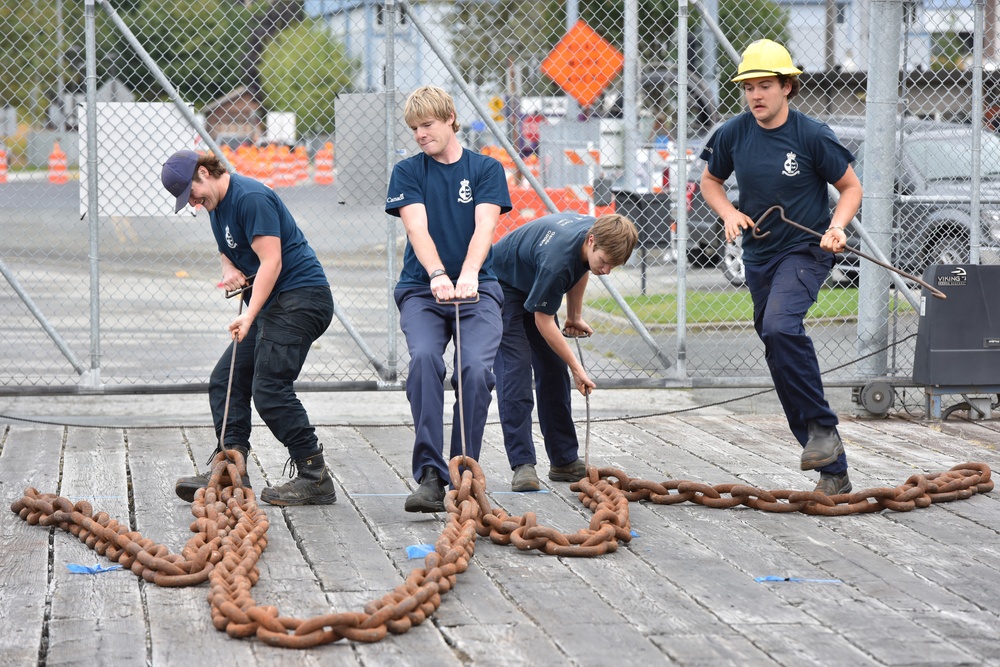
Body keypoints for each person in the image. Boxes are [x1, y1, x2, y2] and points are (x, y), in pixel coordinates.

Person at [698, 39, 863, 496]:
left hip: (807, 250)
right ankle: (833, 465)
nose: (756, 95)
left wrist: (837, 226)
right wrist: (728, 213)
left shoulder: (812, 134)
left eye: (765, 85)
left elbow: (850, 187)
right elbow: (710, 181)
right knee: (776, 345)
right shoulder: (733, 133)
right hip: (759, 255)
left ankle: (824, 429)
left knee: (780, 326)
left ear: (787, 87)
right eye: (749, 86)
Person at [160, 149, 337, 506]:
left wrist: (249, 314)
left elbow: (271, 261)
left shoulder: (250, 198)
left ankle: (315, 475)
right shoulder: (216, 206)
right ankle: (231, 468)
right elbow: (229, 249)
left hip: (303, 299)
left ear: (205, 173)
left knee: (269, 388)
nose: (193, 203)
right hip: (274, 304)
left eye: (192, 193)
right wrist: (229, 270)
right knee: (225, 379)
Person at [385, 86, 512, 513]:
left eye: (428, 125)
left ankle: (463, 467)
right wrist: (439, 274)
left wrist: (470, 274)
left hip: (478, 289)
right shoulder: (408, 172)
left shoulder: (486, 169)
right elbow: (416, 229)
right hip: (423, 289)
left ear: (451, 119)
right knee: (424, 360)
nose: (421, 134)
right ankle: (430, 474)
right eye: (415, 128)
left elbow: (484, 227)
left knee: (475, 369)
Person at [492, 212, 638, 491]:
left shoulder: (593, 235)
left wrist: (574, 315)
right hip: (503, 284)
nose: (606, 271)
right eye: (605, 262)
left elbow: (582, 266)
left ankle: (563, 460)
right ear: (591, 241)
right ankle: (523, 464)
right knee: (516, 371)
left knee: (553, 370)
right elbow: (542, 319)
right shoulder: (556, 260)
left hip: (536, 279)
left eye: (613, 266)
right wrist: (577, 367)